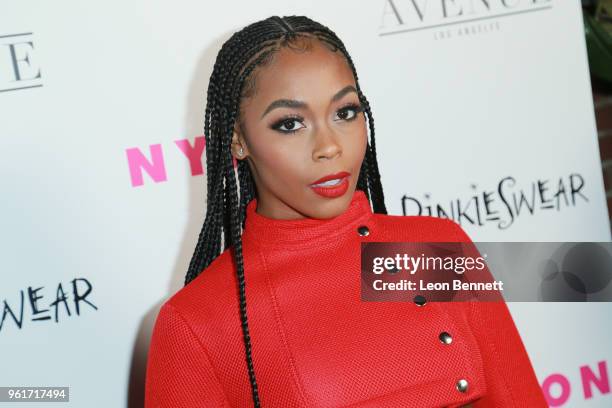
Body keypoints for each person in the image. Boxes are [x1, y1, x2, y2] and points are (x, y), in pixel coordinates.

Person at [144, 15, 548, 408]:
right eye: (290, 124)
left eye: (345, 112)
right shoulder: (197, 322)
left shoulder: (434, 248)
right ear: (237, 140)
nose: (329, 146)